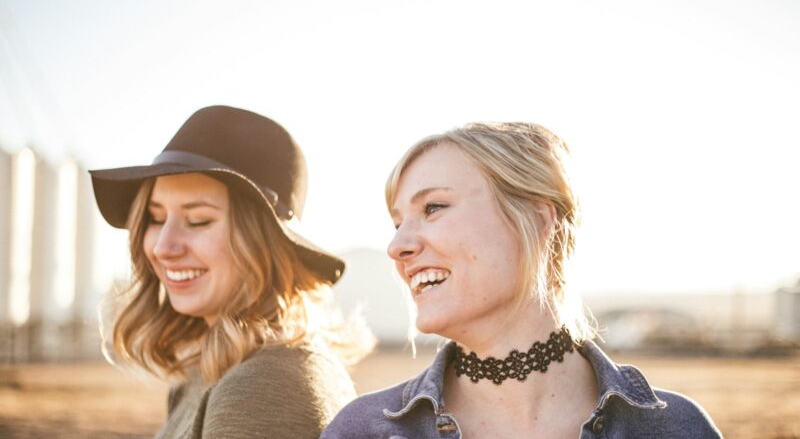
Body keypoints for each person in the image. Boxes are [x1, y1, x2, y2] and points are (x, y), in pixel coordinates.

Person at [322, 122, 721, 438]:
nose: (397, 246)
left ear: (537, 220)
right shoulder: (363, 430)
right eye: (396, 223)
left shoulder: (675, 428)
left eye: (433, 207)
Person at [90, 105, 372, 438]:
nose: (164, 247)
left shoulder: (263, 388)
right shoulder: (211, 374)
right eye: (156, 218)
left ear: (264, 243)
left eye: (198, 220)